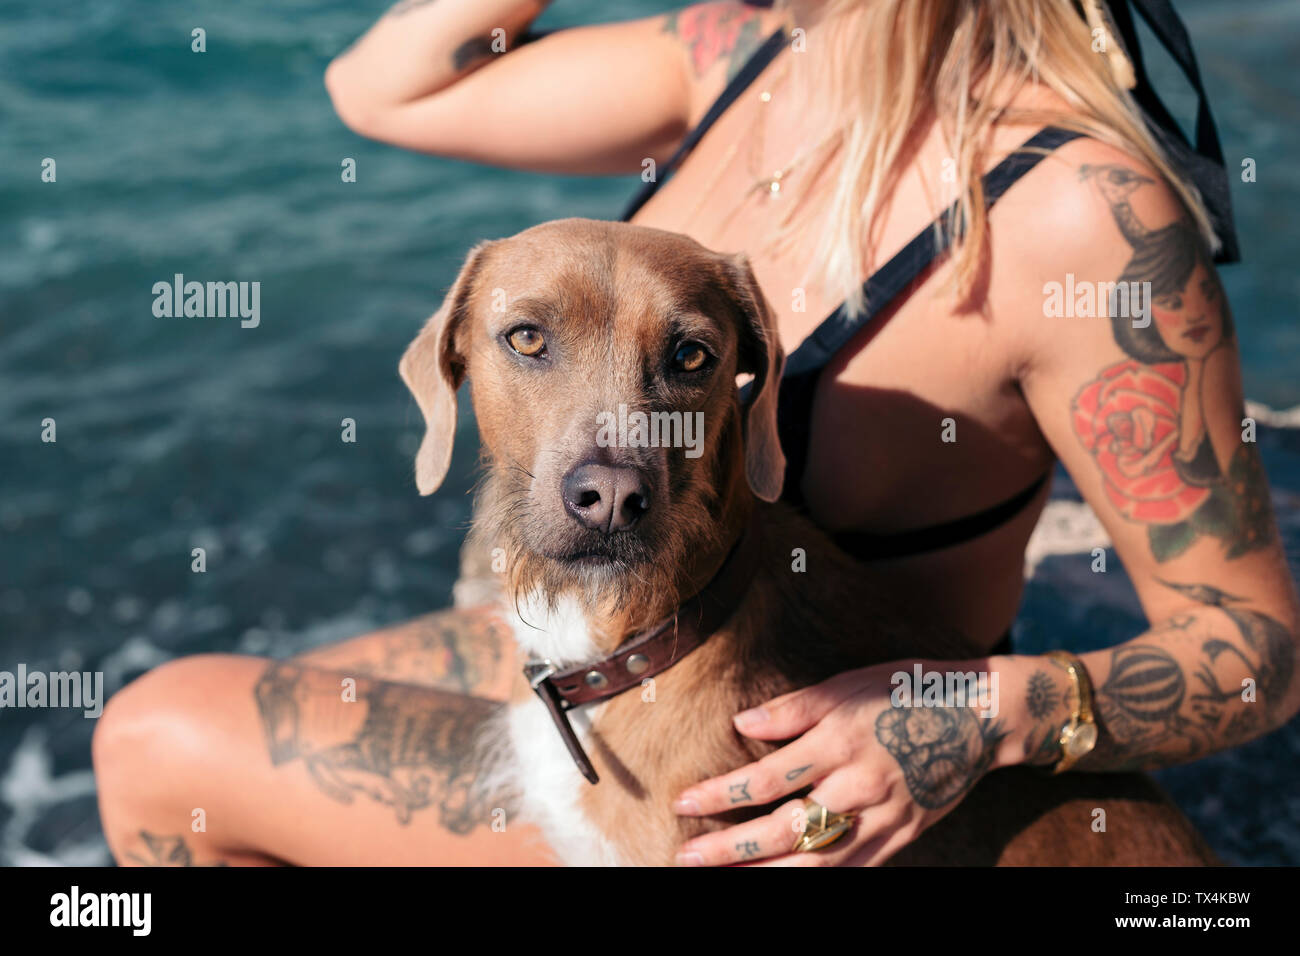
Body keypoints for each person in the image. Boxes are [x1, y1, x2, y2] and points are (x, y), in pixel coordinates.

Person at [94, 0, 1298, 866]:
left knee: (161, 743)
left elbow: (1256, 651)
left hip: (757, 765)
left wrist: (972, 714)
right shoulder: (738, 50)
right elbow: (383, 84)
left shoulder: (1076, 209)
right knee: (211, 713)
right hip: (568, 643)